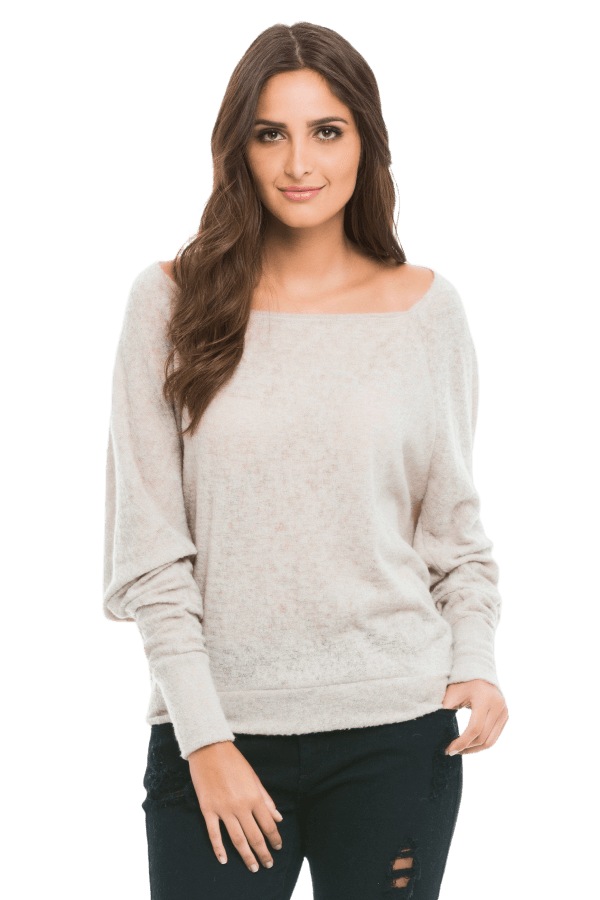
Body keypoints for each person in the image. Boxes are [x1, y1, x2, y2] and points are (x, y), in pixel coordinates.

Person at [102, 20, 508, 900]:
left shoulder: (427, 310)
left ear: (366, 141)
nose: (298, 162)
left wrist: (476, 660)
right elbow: (150, 555)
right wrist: (206, 739)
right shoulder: (167, 301)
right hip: (218, 735)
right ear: (236, 148)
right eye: (269, 133)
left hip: (398, 730)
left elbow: (453, 530)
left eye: (327, 130)